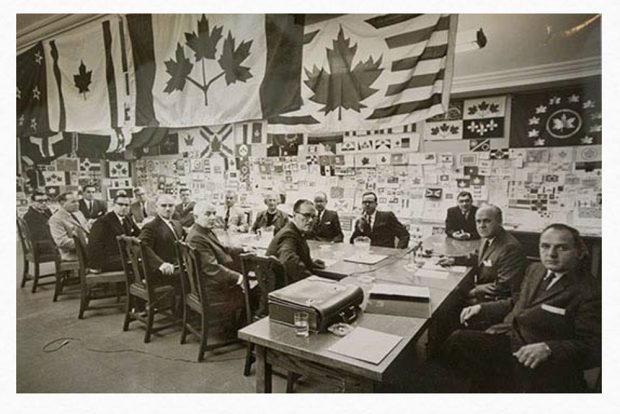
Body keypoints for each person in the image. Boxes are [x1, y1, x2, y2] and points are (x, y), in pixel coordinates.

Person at [441, 223, 601, 392]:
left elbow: (595, 347)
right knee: (455, 340)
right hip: (510, 339)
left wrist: (549, 348)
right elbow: (518, 302)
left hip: (539, 363)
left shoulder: (590, 291)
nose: (551, 254)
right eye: (545, 246)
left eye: (562, 248)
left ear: (578, 251)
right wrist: (483, 308)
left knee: (459, 347)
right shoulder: (536, 269)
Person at [438, 204, 527, 304]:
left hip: (495, 300)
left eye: (487, 221)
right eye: (478, 221)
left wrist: (475, 291)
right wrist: (453, 260)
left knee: (449, 301)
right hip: (484, 291)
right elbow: (478, 256)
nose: (481, 225)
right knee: (447, 291)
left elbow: (504, 287)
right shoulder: (487, 238)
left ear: (499, 222)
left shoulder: (510, 248)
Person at [186, 201, 245, 305]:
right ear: (196, 217)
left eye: (214, 213)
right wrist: (239, 278)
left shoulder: (203, 231)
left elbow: (221, 247)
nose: (213, 217)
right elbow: (212, 268)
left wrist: (243, 249)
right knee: (253, 289)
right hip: (211, 290)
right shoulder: (196, 238)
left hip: (210, 282)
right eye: (208, 214)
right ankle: (245, 319)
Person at [265, 199, 326, 285]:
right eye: (307, 215)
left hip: (283, 284)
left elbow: (294, 255)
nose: (311, 220)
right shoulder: (288, 234)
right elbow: (290, 262)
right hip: (282, 289)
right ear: (294, 215)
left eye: (313, 216)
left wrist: (310, 262)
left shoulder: (296, 231)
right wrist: (312, 280)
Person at [88, 191, 140, 272]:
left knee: (143, 259)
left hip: (121, 255)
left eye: (126, 205)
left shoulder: (127, 218)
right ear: (113, 205)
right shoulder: (103, 221)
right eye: (120, 204)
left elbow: (139, 233)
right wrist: (96, 267)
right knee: (142, 263)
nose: (124, 207)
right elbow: (94, 244)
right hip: (106, 260)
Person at [139, 194, 183, 282]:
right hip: (162, 270)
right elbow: (143, 246)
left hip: (177, 265)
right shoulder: (150, 227)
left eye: (171, 205)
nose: (168, 209)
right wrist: (160, 264)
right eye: (163, 205)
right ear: (156, 208)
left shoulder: (177, 224)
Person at [49, 191, 91, 262]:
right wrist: (87, 242)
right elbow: (61, 242)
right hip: (73, 253)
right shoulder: (56, 219)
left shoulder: (78, 213)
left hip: (88, 248)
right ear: (62, 203)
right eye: (73, 202)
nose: (77, 204)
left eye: (77, 201)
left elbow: (86, 229)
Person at [22, 190, 56, 256]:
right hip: (42, 246)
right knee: (76, 247)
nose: (44, 203)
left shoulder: (46, 211)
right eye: (40, 201)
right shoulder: (29, 216)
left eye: (46, 200)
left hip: (48, 242)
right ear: (32, 202)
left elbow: (54, 224)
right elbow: (41, 235)